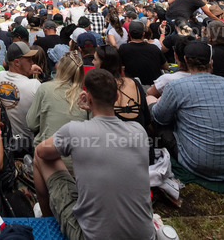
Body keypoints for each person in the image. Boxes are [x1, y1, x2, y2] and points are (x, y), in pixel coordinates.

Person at [33, 68, 154, 240]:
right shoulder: (139, 131)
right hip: (144, 236)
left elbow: (41, 151)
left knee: (40, 156)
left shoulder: (74, 130)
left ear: (88, 98)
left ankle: (47, 220)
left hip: (90, 236)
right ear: (117, 98)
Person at [150, 41, 224, 182]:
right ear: (211, 62)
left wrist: (152, 101)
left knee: (154, 108)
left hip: (199, 164)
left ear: (186, 60)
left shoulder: (176, 86)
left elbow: (159, 118)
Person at [0, 41, 43, 144]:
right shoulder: (34, 85)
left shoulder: (0, 76)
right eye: (29, 59)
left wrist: (27, 70)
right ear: (17, 62)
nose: (32, 63)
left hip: (7, 140)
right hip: (28, 143)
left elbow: (15, 76)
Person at [94, 44, 148, 127]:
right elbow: (147, 118)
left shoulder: (100, 88)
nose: (92, 62)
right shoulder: (134, 83)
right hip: (140, 134)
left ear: (102, 64)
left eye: (94, 59)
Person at [117, 20, 167, 86]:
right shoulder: (154, 48)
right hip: (153, 86)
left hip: (134, 86)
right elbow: (165, 66)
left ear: (129, 32)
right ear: (143, 33)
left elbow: (118, 66)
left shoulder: (123, 48)